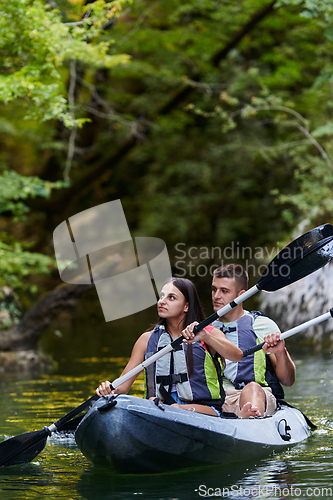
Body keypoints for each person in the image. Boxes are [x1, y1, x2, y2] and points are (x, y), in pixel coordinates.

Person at [96, 277, 242, 416]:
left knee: (174, 408)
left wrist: (206, 337)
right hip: (158, 408)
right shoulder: (146, 340)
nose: (162, 302)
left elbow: (237, 356)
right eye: (161, 296)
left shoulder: (208, 333)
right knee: (157, 404)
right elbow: (123, 387)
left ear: (186, 306)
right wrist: (108, 389)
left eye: (171, 298)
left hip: (203, 409)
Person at [182, 264, 295, 418]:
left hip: (254, 395)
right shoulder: (203, 330)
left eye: (224, 291)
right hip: (215, 401)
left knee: (252, 388)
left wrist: (281, 352)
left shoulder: (262, 325)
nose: (216, 296)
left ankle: (250, 418)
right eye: (214, 289)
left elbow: (288, 381)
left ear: (241, 295)